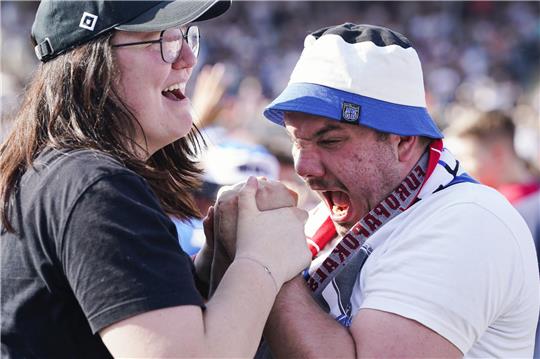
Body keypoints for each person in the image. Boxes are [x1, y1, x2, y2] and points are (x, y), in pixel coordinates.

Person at [0, 1, 311, 358]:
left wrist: (214, 264)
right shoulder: (94, 186)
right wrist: (262, 259)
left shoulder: (59, 172)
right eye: (161, 41)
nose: (187, 60)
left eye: (184, 38)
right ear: (91, 65)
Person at [213, 23, 540, 358]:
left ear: (403, 141)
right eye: (297, 141)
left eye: (330, 141)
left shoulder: (468, 222)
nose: (303, 166)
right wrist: (220, 250)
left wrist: (269, 262)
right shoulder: (335, 214)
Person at [444, 109, 540, 357]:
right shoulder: (472, 208)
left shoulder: (524, 211)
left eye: (466, 157)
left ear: (497, 153)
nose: (458, 169)